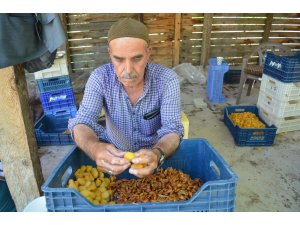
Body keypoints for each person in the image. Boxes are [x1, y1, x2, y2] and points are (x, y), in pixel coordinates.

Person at [68, 17, 184, 178]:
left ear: (148, 53)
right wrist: (95, 149)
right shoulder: (100, 78)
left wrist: (157, 154)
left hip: (156, 155)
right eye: (119, 59)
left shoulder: (167, 80)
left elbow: (173, 129)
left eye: (137, 58)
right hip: (115, 154)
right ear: (110, 54)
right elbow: (81, 122)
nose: (128, 70)